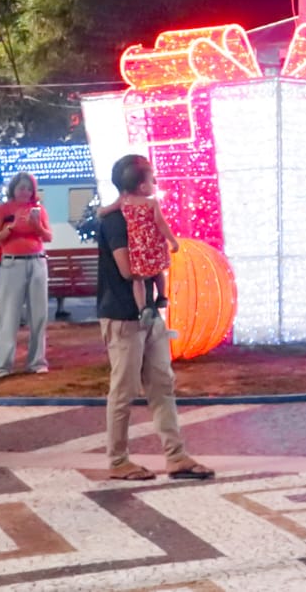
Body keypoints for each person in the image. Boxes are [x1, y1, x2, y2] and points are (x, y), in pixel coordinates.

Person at [96, 154, 215, 483]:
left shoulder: (143, 213)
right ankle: (118, 460)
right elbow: (127, 269)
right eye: (150, 177)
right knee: (123, 390)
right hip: (122, 315)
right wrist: (153, 256)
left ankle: (176, 456)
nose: (156, 183)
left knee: (162, 384)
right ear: (136, 184)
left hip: (148, 314)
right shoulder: (115, 220)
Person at [0, 172, 54, 377]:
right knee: (8, 315)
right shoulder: (3, 209)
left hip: (37, 262)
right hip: (12, 264)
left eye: (29, 188)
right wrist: (11, 228)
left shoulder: (39, 209)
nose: (25, 191)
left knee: (39, 315)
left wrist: (37, 226)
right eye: (21, 187)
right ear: (13, 189)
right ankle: (3, 365)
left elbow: (48, 236)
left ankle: (37, 362)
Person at [103, 157, 180, 323]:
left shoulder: (125, 202)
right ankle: (162, 296)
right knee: (158, 271)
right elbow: (161, 224)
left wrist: (101, 212)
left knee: (138, 279)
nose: (155, 183)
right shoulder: (152, 203)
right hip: (154, 245)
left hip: (138, 247)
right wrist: (172, 241)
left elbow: (108, 209)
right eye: (152, 180)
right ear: (143, 187)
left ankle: (142, 307)